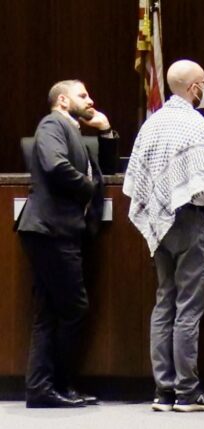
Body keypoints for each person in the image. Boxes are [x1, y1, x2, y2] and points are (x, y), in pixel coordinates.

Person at [123, 59, 204, 412]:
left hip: (160, 223)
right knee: (188, 308)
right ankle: (187, 392)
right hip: (190, 223)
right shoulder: (197, 124)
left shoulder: (151, 123)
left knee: (164, 303)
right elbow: (201, 189)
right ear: (192, 89)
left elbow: (139, 178)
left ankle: (163, 391)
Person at [16, 80, 115, 408]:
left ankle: (44, 388)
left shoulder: (71, 130)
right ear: (62, 100)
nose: (90, 100)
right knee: (74, 308)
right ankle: (56, 384)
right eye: (83, 95)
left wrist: (105, 130)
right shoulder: (52, 124)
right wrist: (88, 189)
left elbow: (108, 170)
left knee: (49, 311)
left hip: (57, 230)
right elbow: (56, 166)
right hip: (51, 230)